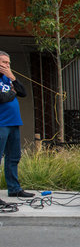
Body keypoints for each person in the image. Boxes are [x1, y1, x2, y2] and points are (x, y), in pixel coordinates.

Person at [0, 51, 33, 201]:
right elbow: (2, 98)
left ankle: (14, 189)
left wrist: (12, 78)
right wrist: (13, 92)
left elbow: (23, 92)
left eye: (8, 63)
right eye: (4, 63)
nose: (7, 66)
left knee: (14, 157)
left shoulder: (9, 78)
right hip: (1, 123)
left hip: (14, 122)